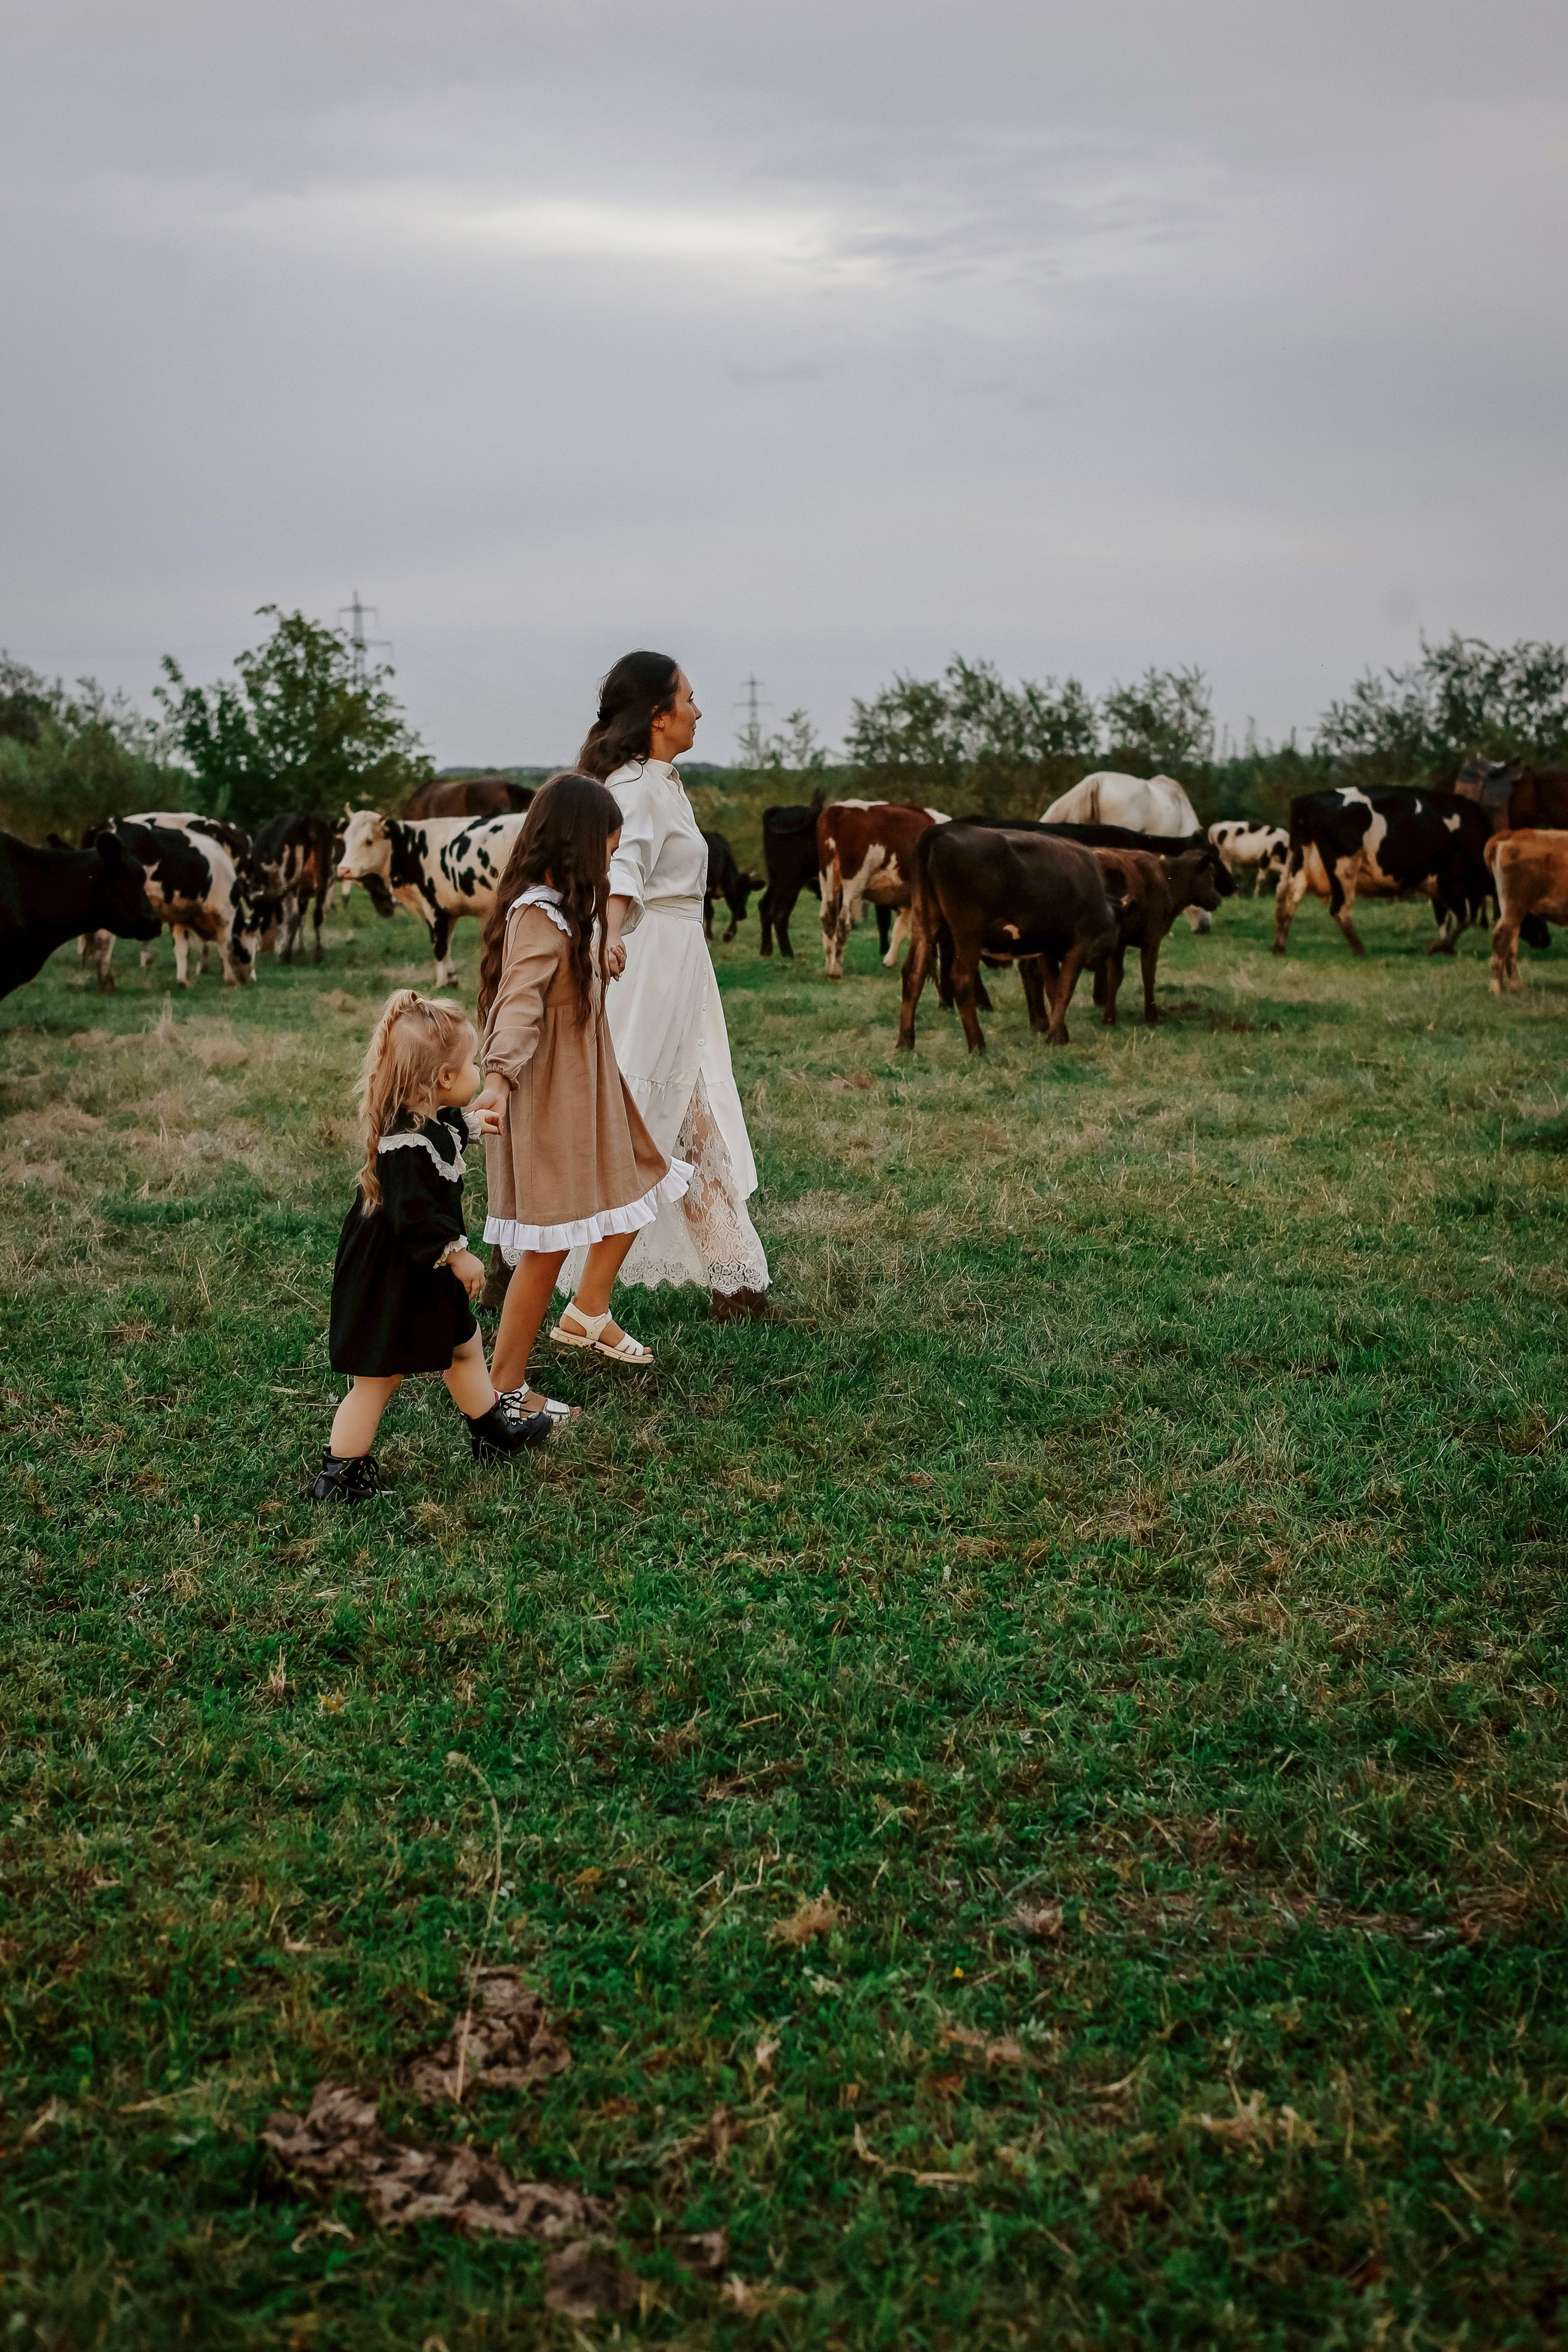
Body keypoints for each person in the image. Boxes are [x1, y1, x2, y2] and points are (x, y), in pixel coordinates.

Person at [470, 774, 693, 1398]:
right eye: (607, 849)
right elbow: (517, 1005)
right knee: (545, 1250)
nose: (610, 863)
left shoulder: (565, 914)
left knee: (645, 1178)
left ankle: (586, 1311)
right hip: (550, 1098)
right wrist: (498, 1078)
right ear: (576, 846)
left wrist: (598, 950)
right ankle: (503, 1388)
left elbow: (568, 963)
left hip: (592, 1090)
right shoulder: (537, 916)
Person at [574, 650, 769, 1317]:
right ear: (658, 717)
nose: (699, 709)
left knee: (692, 1116)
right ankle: (537, 1264)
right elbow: (621, 873)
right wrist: (607, 934)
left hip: (681, 960)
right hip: (652, 964)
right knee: (653, 1114)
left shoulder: (660, 779)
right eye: (689, 698)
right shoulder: (633, 788)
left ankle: (735, 1280)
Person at [316, 992, 551, 1502]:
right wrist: (457, 1253)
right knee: (377, 1379)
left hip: (421, 1271)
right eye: (469, 1064)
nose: (474, 1071)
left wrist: (471, 1124)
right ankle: (339, 1477)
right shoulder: (403, 1144)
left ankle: (493, 1435)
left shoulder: (427, 1121)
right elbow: (414, 1217)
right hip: (393, 1274)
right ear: (443, 1079)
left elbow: (444, 1132)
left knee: (464, 1346)